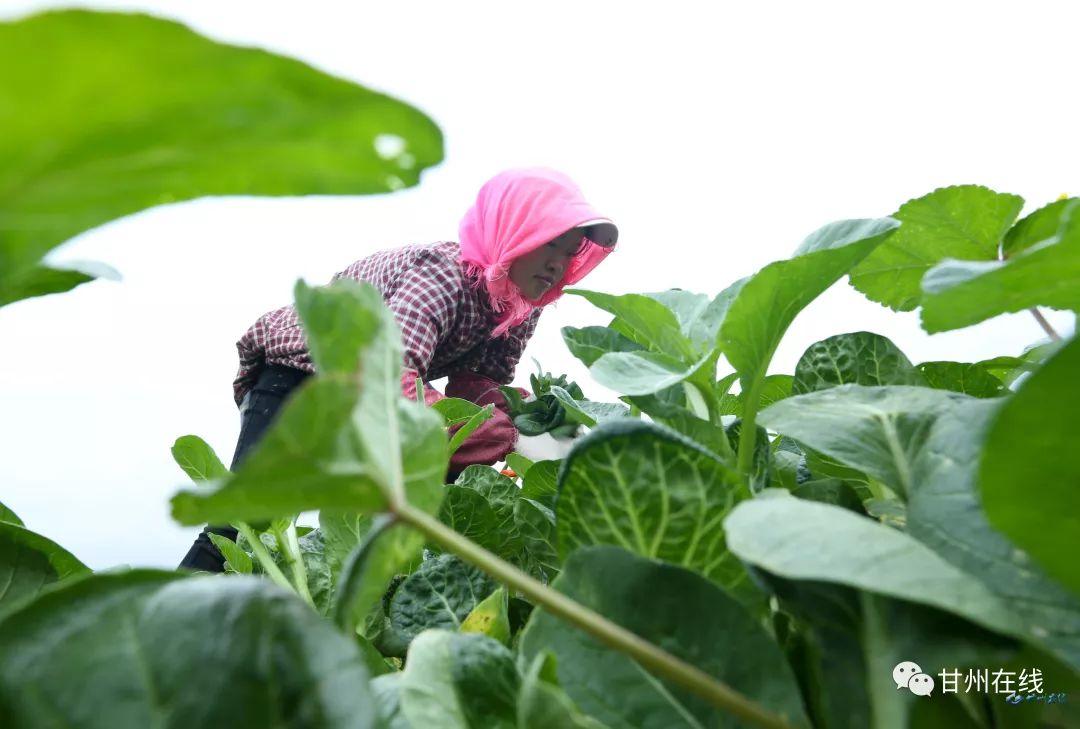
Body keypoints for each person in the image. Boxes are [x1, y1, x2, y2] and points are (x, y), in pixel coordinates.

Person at [178, 167, 619, 572]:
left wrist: (527, 420)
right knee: (242, 525)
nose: (556, 264)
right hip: (301, 379)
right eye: (549, 244)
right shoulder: (440, 275)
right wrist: (508, 438)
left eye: (569, 251)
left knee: (425, 516)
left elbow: (478, 387)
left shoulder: (519, 305)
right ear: (516, 230)